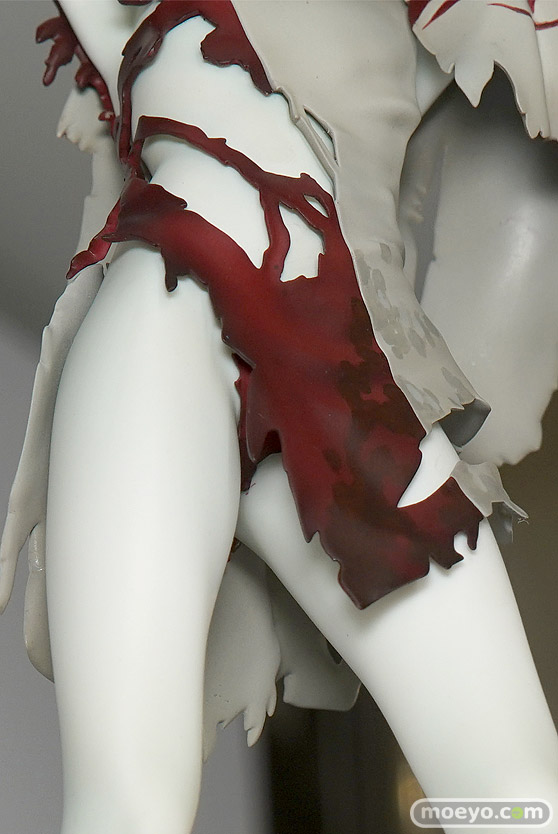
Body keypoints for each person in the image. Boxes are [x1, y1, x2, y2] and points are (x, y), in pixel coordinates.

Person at [2, 2, 558, 832]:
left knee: (521, 795)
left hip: (340, 358)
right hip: (152, 322)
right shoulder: (119, 22)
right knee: (124, 806)